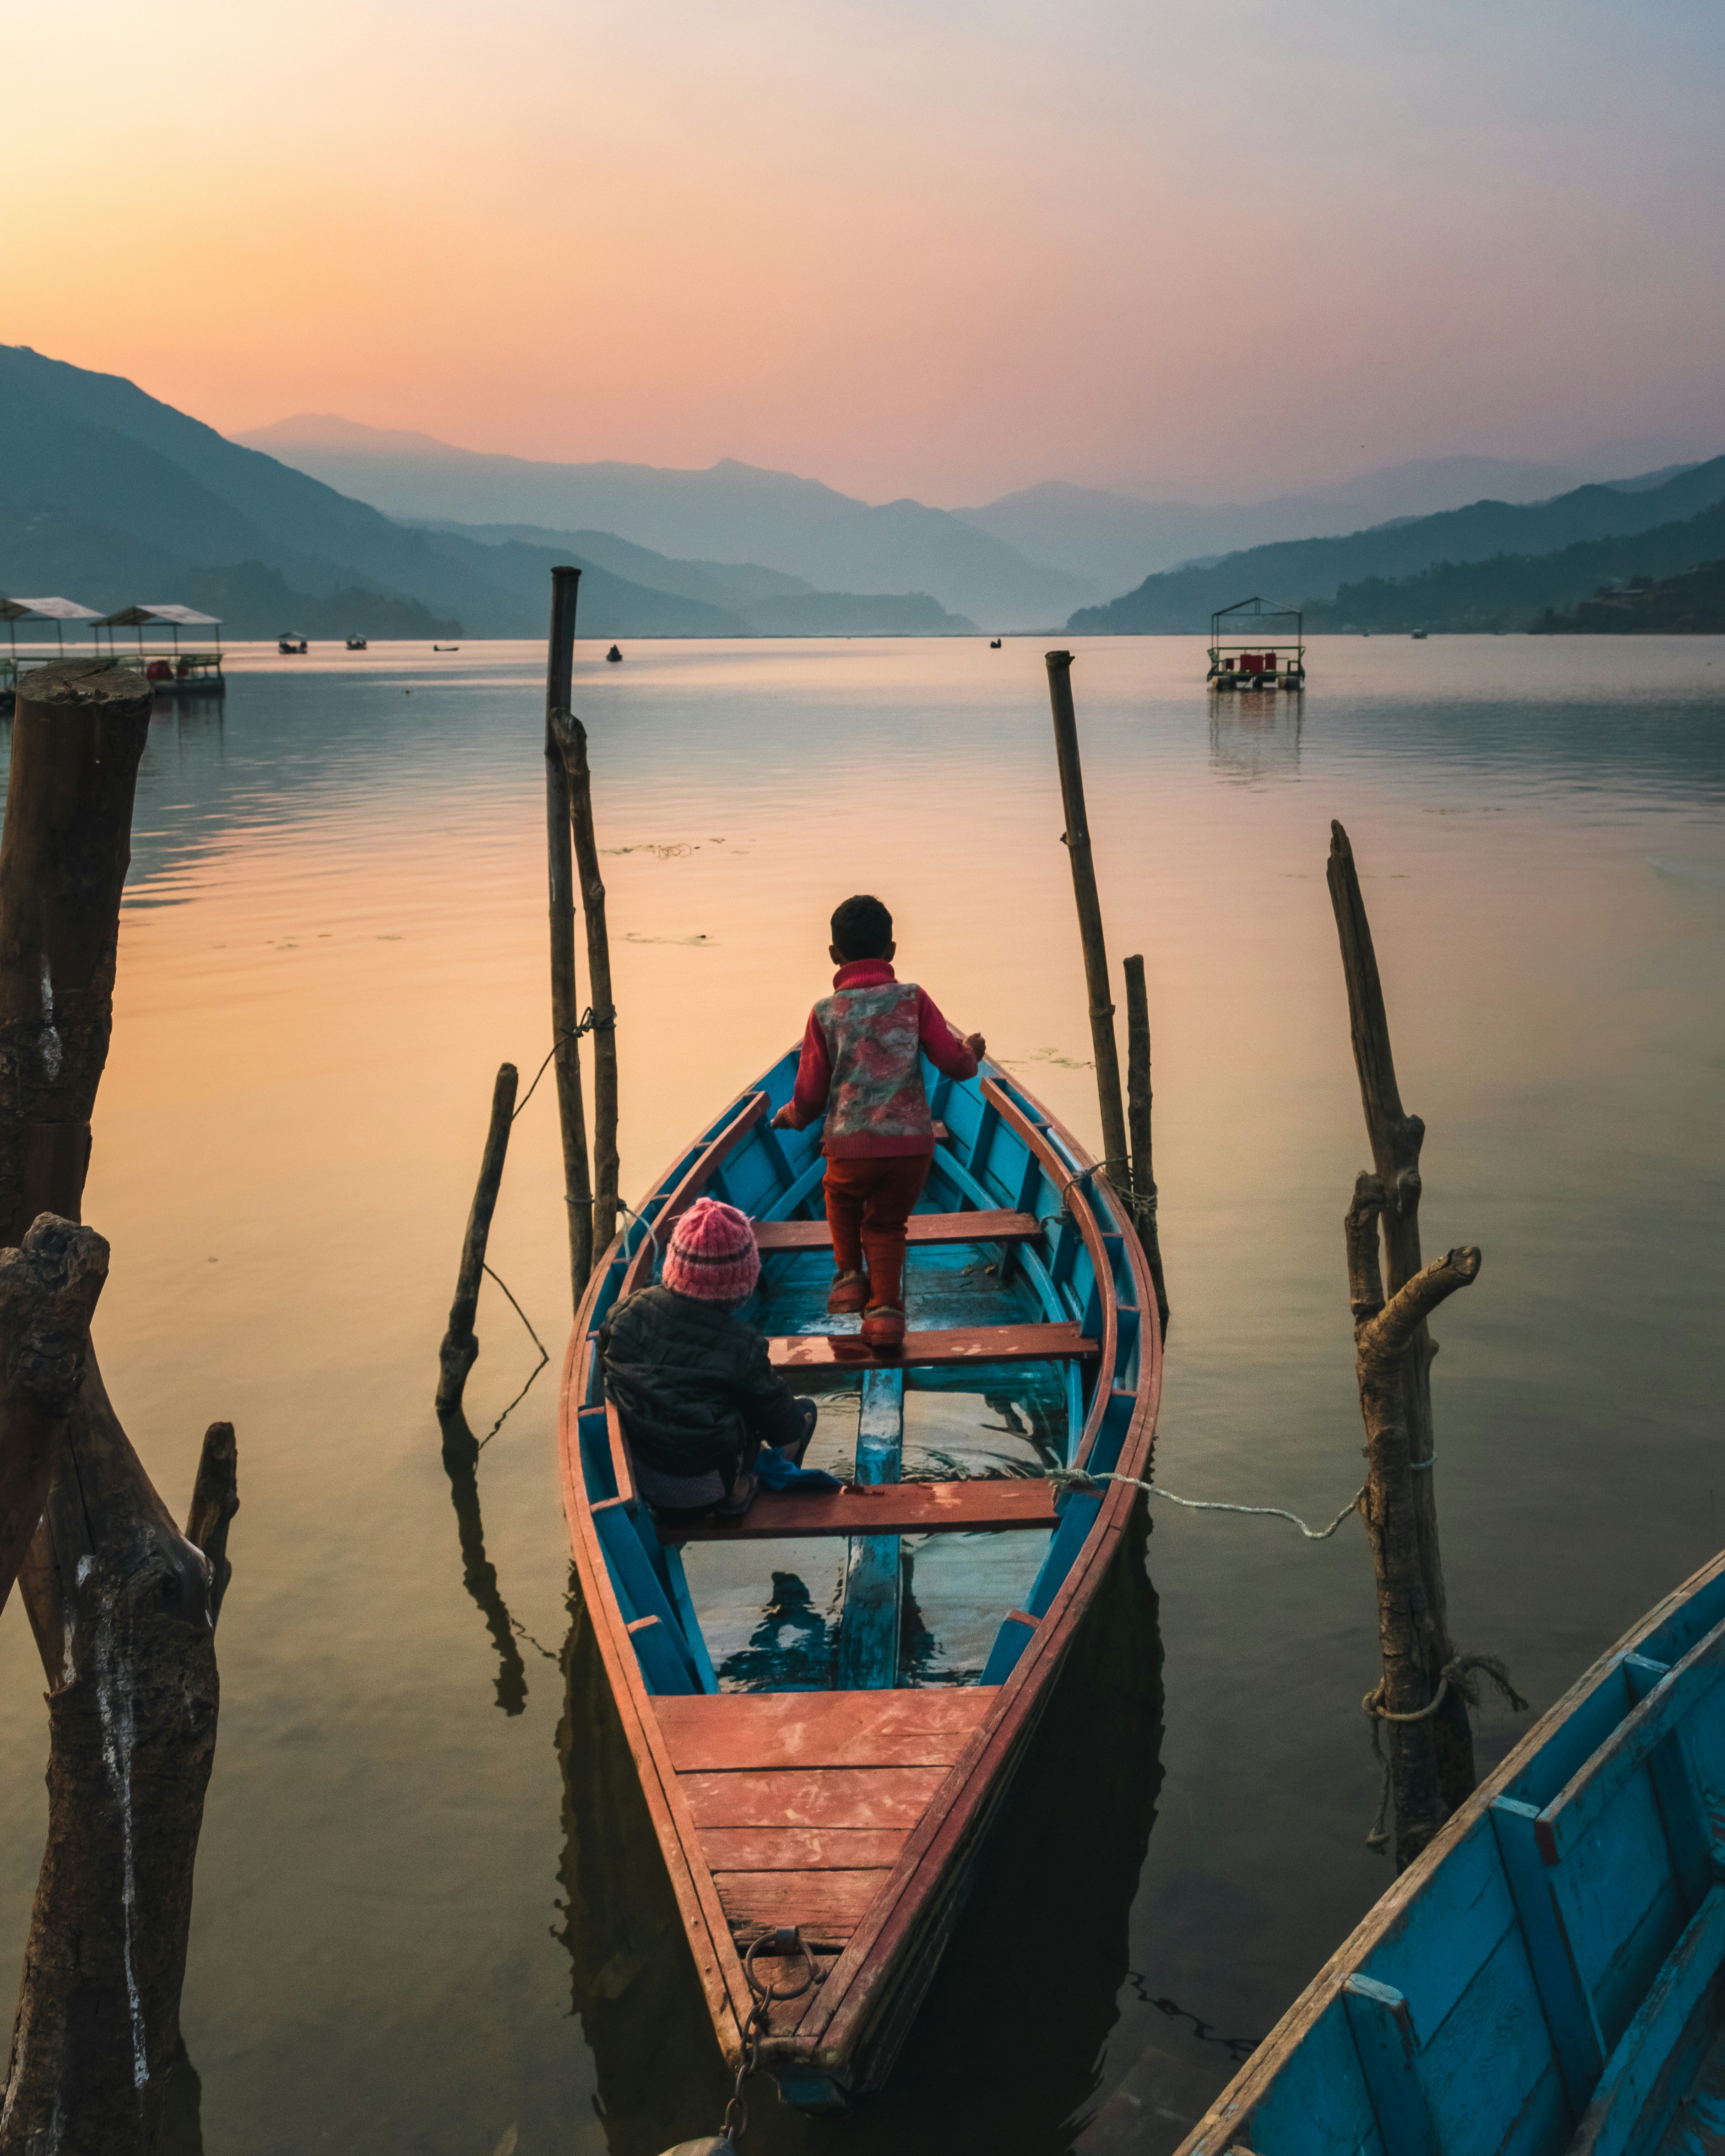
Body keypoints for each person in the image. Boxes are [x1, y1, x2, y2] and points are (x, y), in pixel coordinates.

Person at [772, 894, 985, 1349]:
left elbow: (808, 1099)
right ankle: (886, 1314)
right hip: (911, 1150)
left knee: (840, 1195)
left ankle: (849, 1276)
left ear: (835, 956)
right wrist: (973, 1052)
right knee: (887, 1225)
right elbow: (956, 1065)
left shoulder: (825, 1014)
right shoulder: (913, 999)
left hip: (851, 1149)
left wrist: (789, 1117)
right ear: (890, 951)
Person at [598, 1196, 829, 1520]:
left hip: (641, 1479)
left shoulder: (625, 1313)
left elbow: (606, 1372)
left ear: (673, 1263)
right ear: (744, 1281)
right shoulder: (742, 1345)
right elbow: (780, 1424)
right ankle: (739, 1490)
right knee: (797, 1413)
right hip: (707, 1489)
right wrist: (792, 1429)